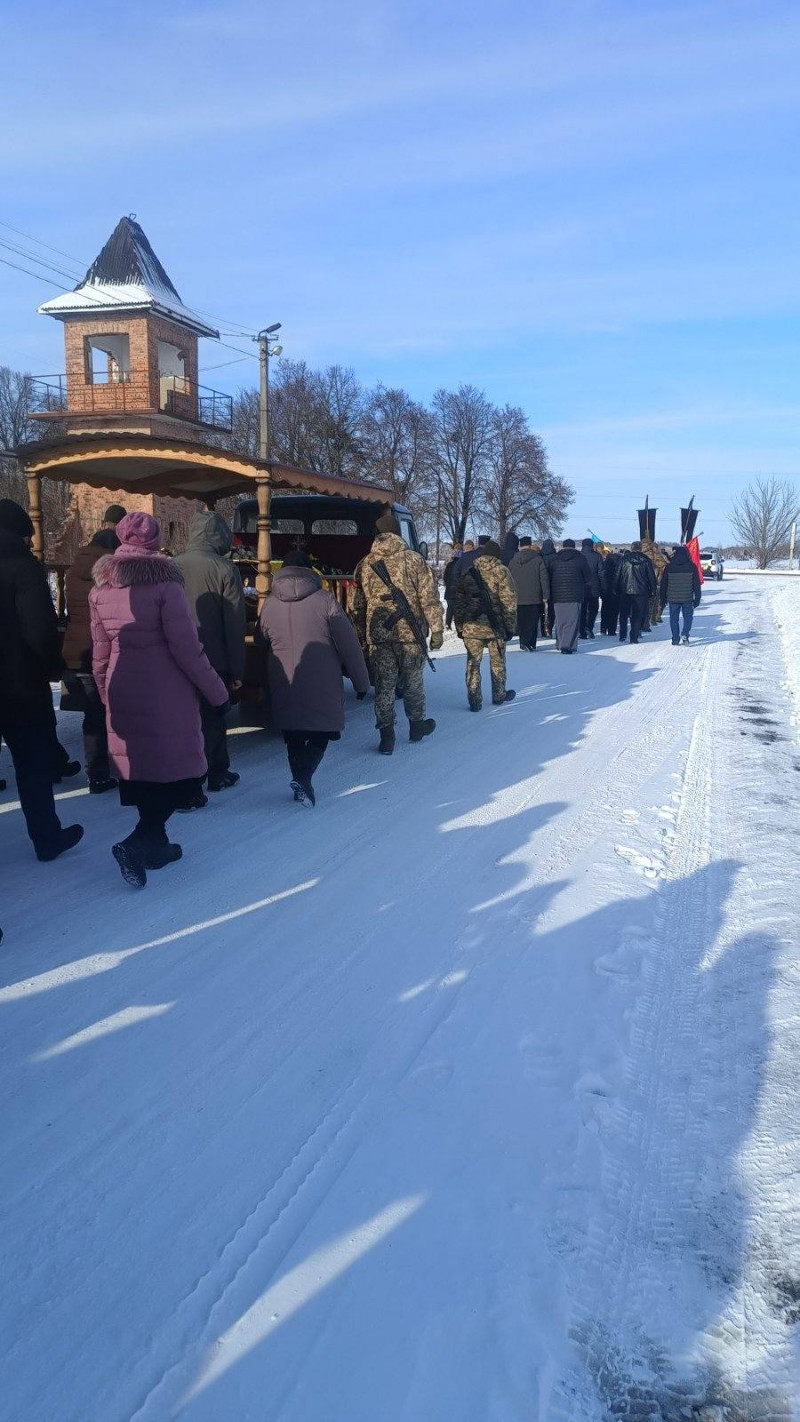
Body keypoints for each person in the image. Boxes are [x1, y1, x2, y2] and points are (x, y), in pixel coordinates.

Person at [90, 512, 228, 888]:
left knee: (144, 770)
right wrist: (217, 692)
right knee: (179, 774)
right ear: (153, 543)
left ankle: (157, 846)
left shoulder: (101, 588)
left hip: (123, 686)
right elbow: (188, 650)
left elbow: (99, 654)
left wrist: (105, 694)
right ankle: (140, 841)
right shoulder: (167, 587)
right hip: (165, 693)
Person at [0, 499, 83, 861]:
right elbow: (38, 629)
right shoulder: (23, 568)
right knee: (32, 763)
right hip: (18, 682)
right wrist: (53, 664)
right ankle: (47, 837)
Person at [258, 552, 370, 804]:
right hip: (323, 682)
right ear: (310, 572)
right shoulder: (326, 601)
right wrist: (361, 682)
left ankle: (299, 779)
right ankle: (305, 776)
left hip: (284, 678)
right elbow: (349, 645)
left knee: (293, 732)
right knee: (323, 730)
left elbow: (259, 639)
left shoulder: (270, 604)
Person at [353, 511, 443, 755]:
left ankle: (387, 737)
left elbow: (358, 605)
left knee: (384, 686)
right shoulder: (414, 560)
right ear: (397, 532)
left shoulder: (364, 564)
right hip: (410, 636)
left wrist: (362, 635)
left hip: (379, 637)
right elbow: (429, 598)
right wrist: (437, 629)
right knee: (413, 682)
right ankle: (416, 727)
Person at [175, 511, 246, 800]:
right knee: (214, 717)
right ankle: (217, 772)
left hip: (176, 656)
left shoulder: (171, 566)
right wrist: (238, 670)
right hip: (214, 658)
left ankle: (186, 776)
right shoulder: (225, 569)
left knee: (182, 720)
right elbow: (234, 624)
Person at [62, 527, 121, 793]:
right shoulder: (113, 571)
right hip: (105, 650)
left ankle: (97, 772)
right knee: (112, 712)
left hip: (78, 649)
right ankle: (114, 769)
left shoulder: (74, 569)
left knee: (92, 714)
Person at [452, 539, 517, 709]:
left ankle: (474, 700)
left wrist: (459, 626)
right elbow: (509, 602)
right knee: (498, 663)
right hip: (495, 627)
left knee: (473, 664)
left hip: (472, 627)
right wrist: (510, 627)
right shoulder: (502, 572)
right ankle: (499, 694)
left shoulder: (469, 572)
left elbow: (459, 603)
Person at [549, 538, 590, 654]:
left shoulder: (555, 559)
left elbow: (549, 575)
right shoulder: (580, 559)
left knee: (560, 621)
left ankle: (560, 643)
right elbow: (588, 577)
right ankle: (568, 646)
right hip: (575, 594)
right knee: (572, 621)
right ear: (574, 547)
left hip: (557, 594)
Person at [508, 537, 549, 650]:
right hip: (534, 595)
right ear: (530, 545)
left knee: (521, 620)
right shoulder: (538, 559)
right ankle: (530, 642)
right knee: (533, 620)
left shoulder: (513, 561)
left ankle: (523, 641)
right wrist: (546, 595)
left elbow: (509, 579)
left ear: (520, 546)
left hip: (518, 596)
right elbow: (543, 579)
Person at [616, 541, 657, 644]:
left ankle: (622, 634)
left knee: (623, 614)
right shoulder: (646, 560)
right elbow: (651, 577)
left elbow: (617, 575)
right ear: (641, 548)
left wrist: (615, 588)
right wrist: (653, 590)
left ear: (632, 548)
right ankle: (634, 637)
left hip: (625, 590)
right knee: (637, 615)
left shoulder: (624, 559)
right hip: (641, 591)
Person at [660, 544, 702, 645]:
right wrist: (697, 598)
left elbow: (663, 584)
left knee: (673, 619)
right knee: (688, 617)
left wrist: (662, 598)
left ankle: (675, 638)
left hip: (673, 598)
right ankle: (685, 634)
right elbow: (696, 584)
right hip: (687, 598)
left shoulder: (669, 567)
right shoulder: (692, 567)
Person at [579, 537, 603, 640]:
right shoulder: (597, 556)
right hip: (594, 587)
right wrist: (603, 586)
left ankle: (582, 631)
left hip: (581, 587)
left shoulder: (578, 556)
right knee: (593, 610)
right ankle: (589, 627)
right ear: (591, 545)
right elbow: (601, 573)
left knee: (582, 610)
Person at [641, 537, 668, 628]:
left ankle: (646, 621)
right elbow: (665, 566)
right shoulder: (657, 555)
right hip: (654, 582)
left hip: (644, 582)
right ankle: (650, 620)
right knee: (653, 603)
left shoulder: (642, 555)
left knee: (647, 603)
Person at [600, 548, 622, 635]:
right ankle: (612, 630)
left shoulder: (604, 566)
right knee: (614, 612)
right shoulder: (619, 567)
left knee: (605, 610)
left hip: (606, 591)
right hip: (617, 592)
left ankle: (603, 628)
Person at [442, 543, 463, 629]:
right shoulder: (461, 565)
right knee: (458, 607)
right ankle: (459, 625)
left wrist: (448, 585)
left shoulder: (449, 564)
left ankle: (448, 623)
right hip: (458, 590)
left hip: (450, 590)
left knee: (450, 607)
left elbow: (445, 577)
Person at [540, 538, 557, 636]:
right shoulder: (556, 557)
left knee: (541, 609)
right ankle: (549, 628)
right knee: (551, 609)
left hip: (541, 585)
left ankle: (543, 629)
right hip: (553, 585)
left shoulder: (539, 557)